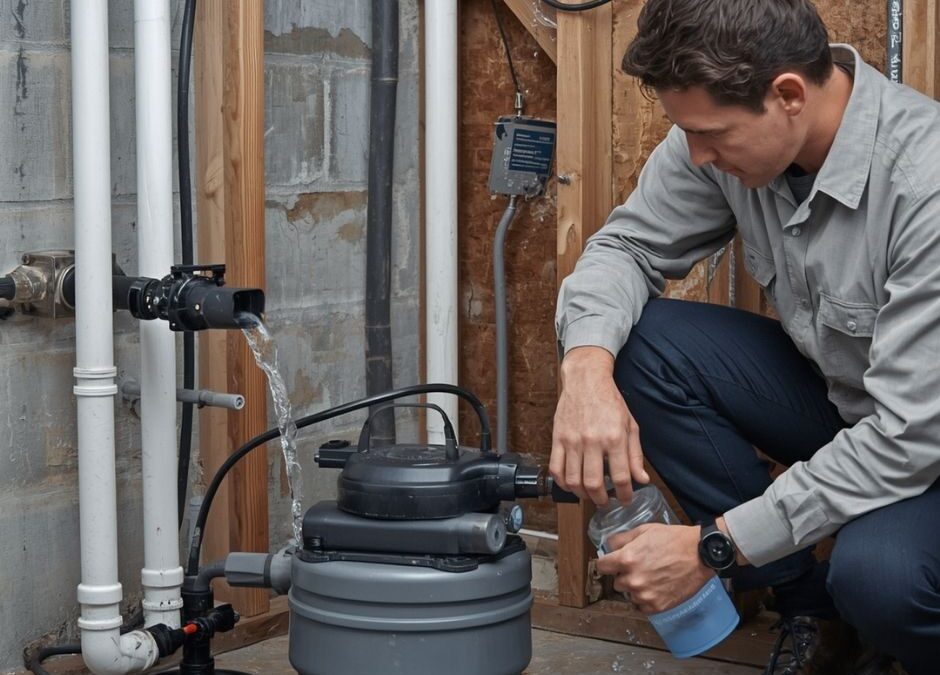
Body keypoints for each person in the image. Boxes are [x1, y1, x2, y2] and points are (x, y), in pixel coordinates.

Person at [550, 0, 940, 673]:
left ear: (788, 93)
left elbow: (910, 437)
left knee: (882, 581)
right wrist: (584, 369)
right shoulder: (721, 134)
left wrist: (712, 546)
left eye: (713, 135)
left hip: (922, 444)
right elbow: (627, 247)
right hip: (848, 404)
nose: (697, 155)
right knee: (635, 344)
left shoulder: (924, 184)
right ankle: (809, 605)